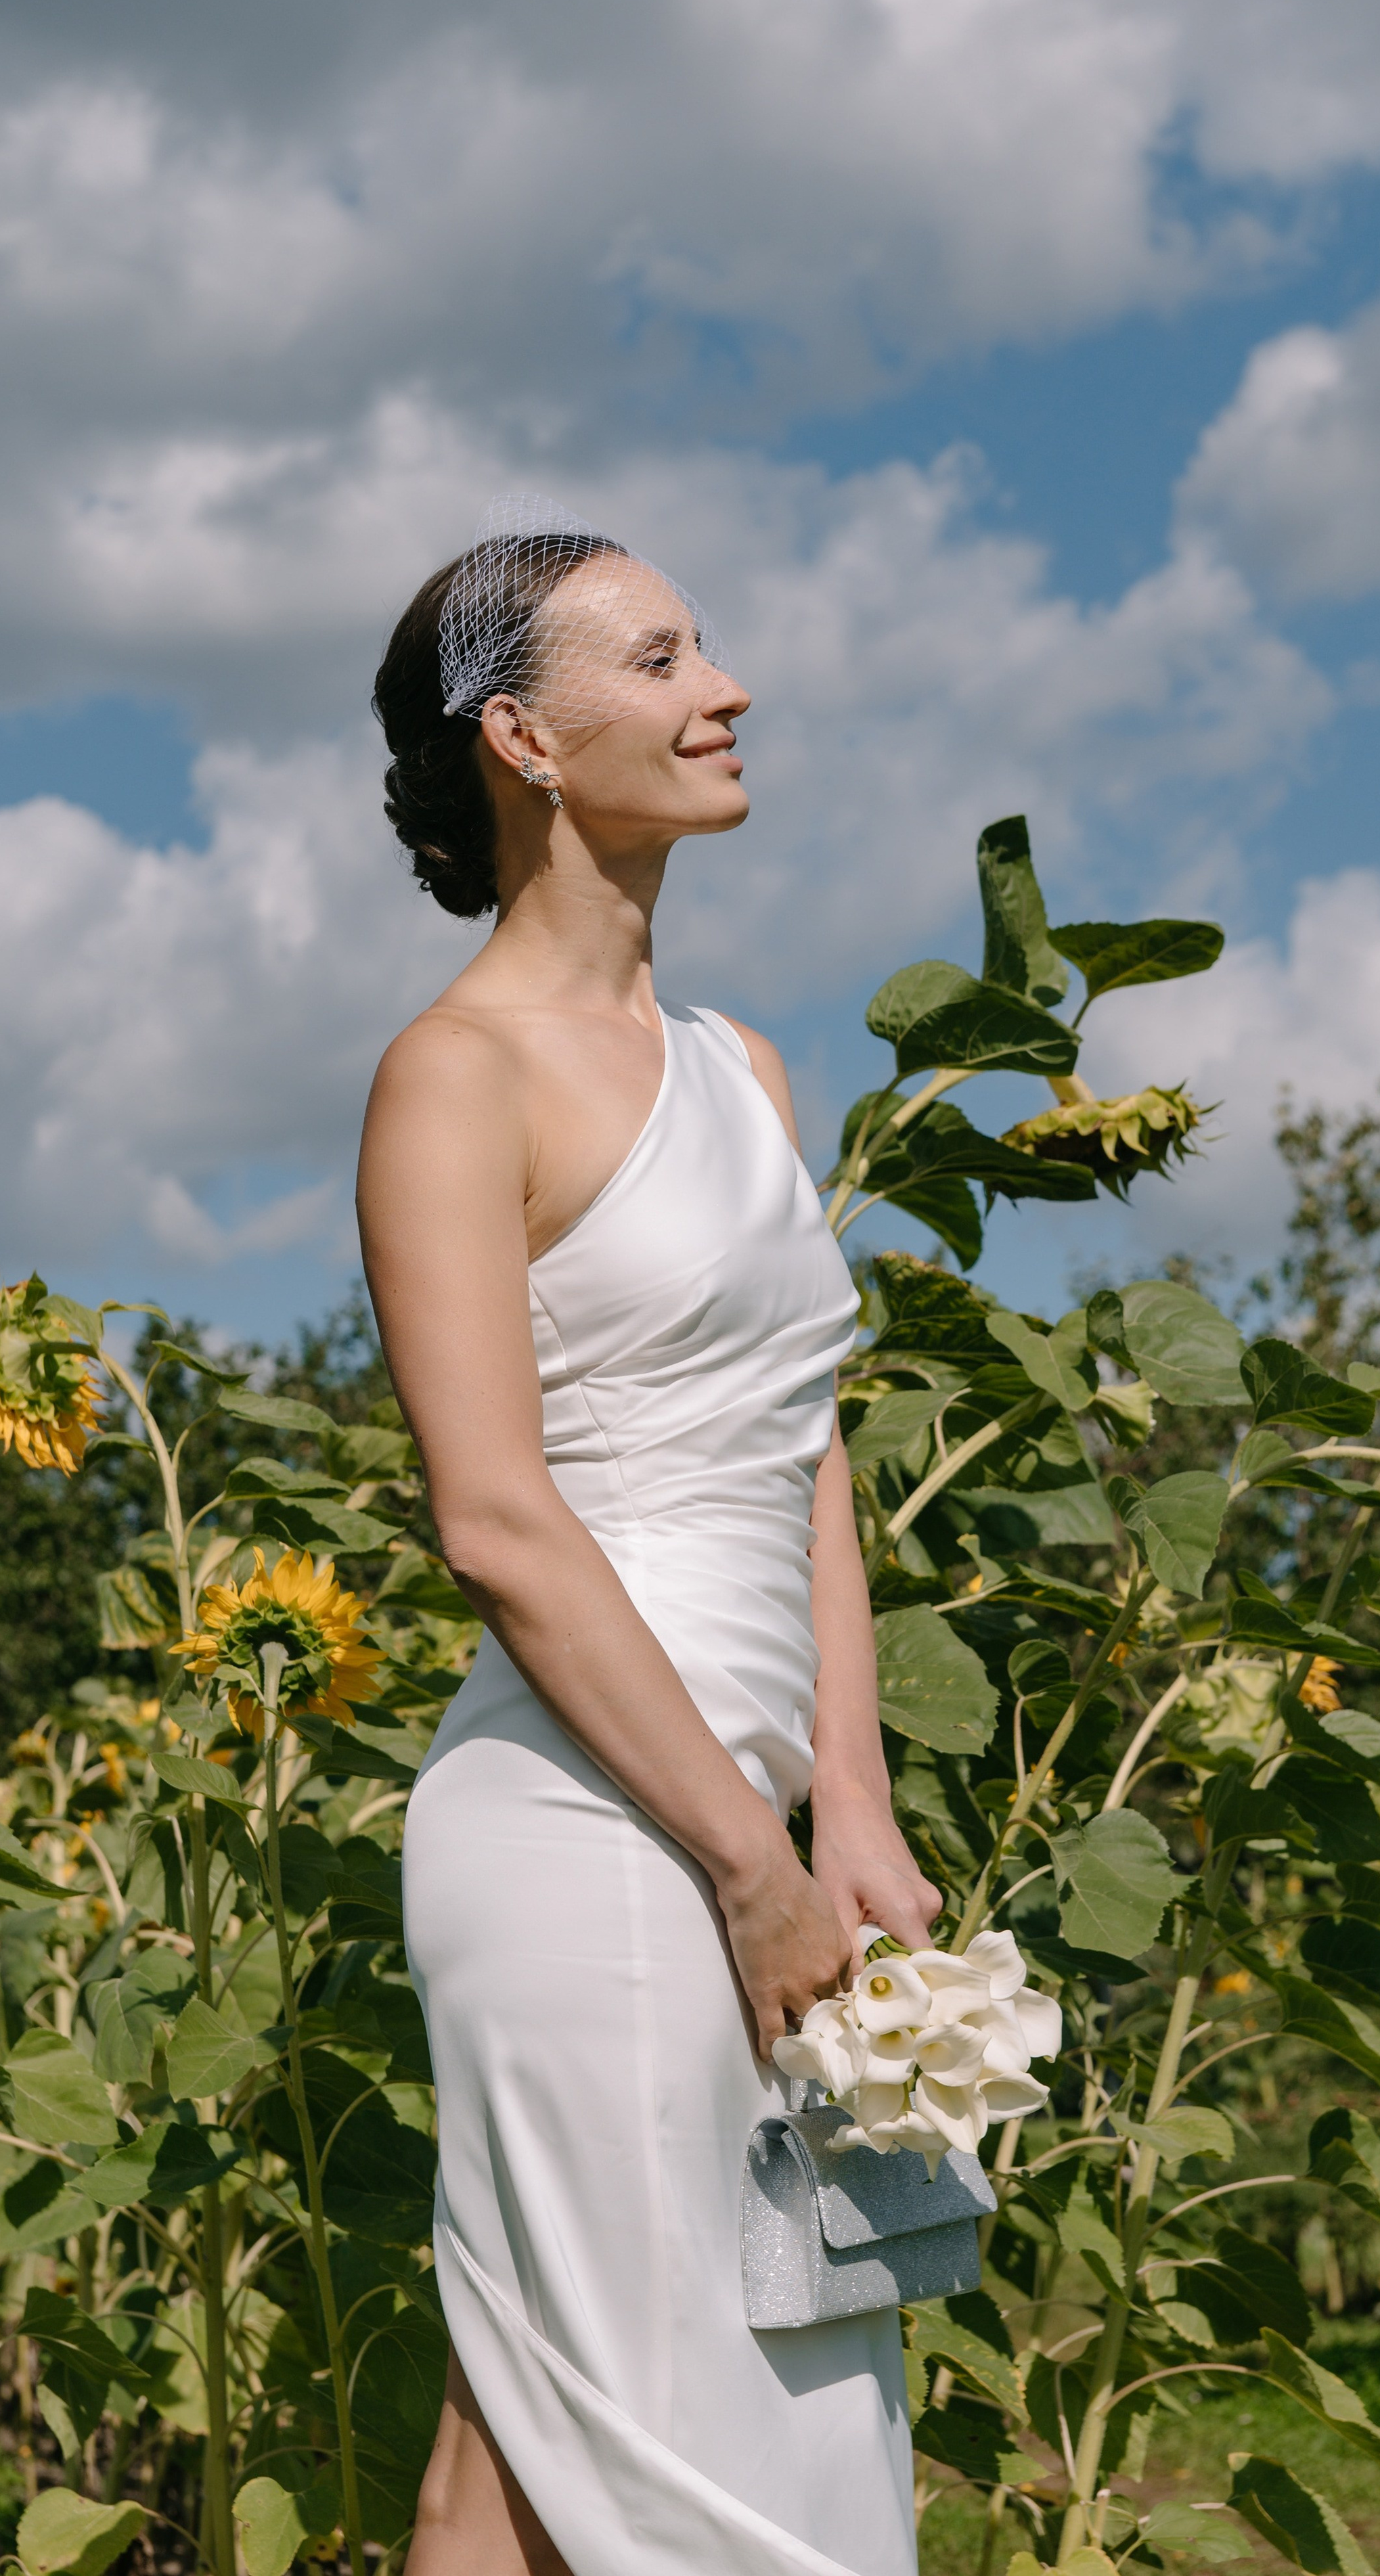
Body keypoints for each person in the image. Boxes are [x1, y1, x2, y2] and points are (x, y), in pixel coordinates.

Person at [357, 504, 943, 2575]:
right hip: (596, 1839)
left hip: (765, 1827)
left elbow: (808, 1456)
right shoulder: (453, 1079)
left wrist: (845, 1811)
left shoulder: (741, 1071)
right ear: (522, 737)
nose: (728, 688)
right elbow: (498, 1523)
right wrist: (740, 1860)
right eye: (666, 657)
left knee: (520, 2457)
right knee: (669, 2448)